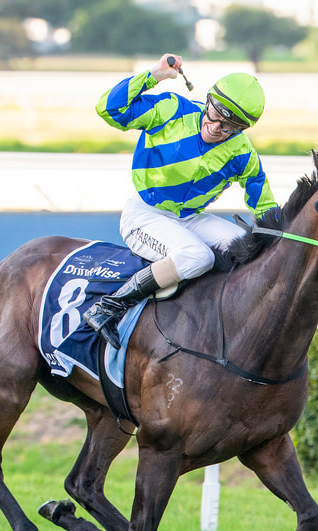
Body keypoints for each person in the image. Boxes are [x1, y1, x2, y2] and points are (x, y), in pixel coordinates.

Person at [84, 53, 277, 349]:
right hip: (145, 214)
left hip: (189, 218)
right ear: (208, 100)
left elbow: (263, 205)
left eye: (229, 127)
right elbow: (109, 109)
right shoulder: (172, 109)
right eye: (215, 115)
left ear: (242, 129)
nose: (216, 128)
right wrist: (155, 75)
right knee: (198, 257)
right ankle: (109, 307)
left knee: (246, 247)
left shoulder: (242, 152)